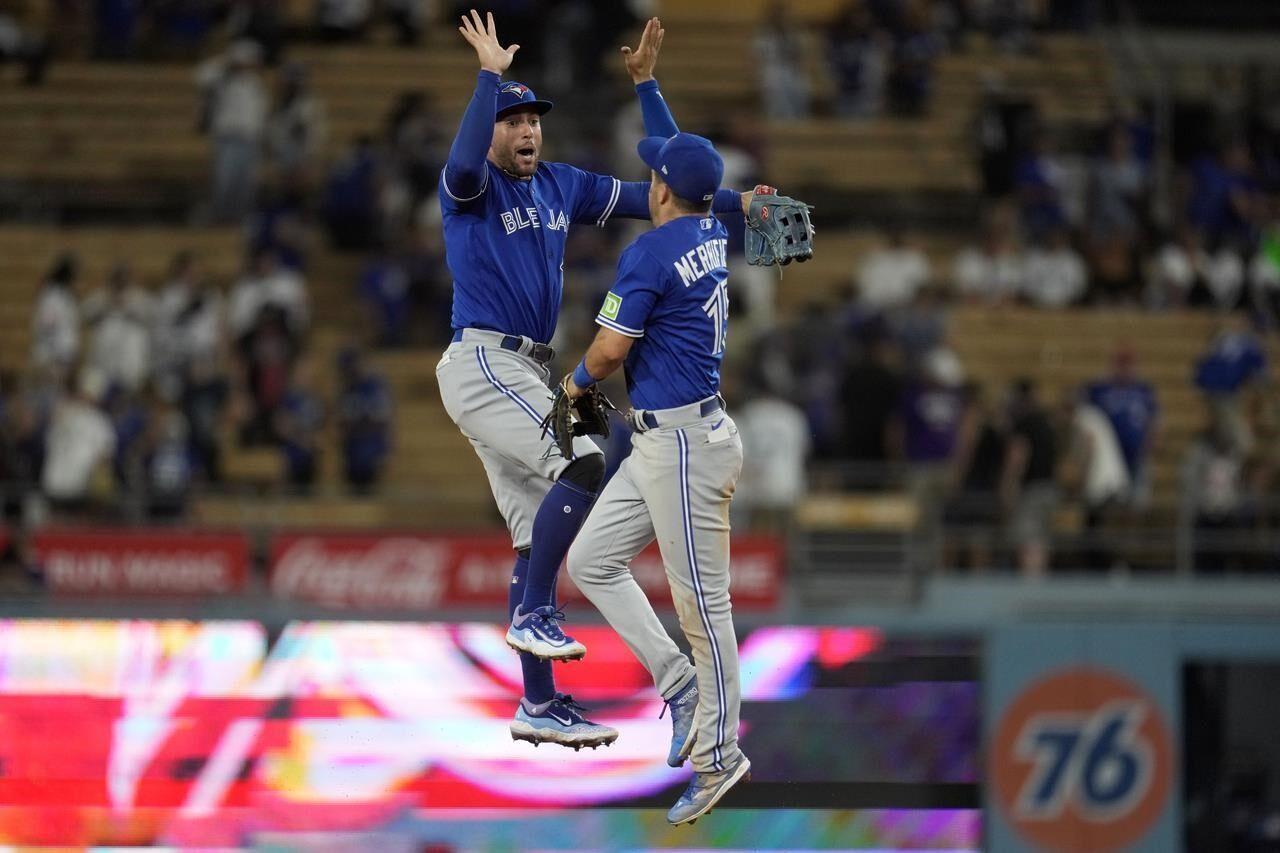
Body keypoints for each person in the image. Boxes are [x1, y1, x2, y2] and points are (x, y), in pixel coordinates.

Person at [434, 12, 757, 751]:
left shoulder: (560, 184)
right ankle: (536, 616)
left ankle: (538, 702)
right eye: (510, 119)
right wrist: (487, 76)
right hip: (483, 360)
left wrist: (743, 208)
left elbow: (667, 196)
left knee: (531, 536)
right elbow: (458, 161)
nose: (525, 130)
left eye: (532, 119)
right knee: (586, 455)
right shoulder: (470, 186)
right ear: (488, 129)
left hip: (524, 364)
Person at [566, 131, 750, 826]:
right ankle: (678, 687)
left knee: (704, 608)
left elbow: (611, 350)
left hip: (681, 445)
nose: (648, 179)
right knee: (593, 560)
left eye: (652, 173)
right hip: (666, 436)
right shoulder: (708, 225)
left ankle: (721, 752)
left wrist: (575, 381)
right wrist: (646, 83)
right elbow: (686, 159)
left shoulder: (649, 249)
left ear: (662, 190)